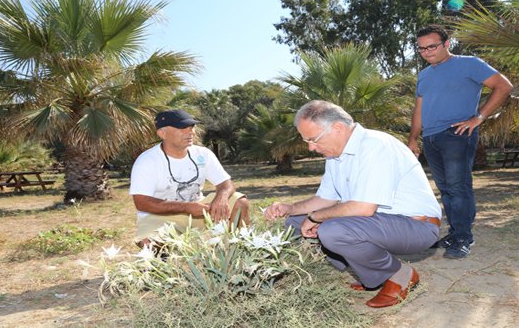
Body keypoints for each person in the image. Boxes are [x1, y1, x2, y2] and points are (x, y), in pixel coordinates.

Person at [264, 100, 441, 308]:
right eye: (306, 141)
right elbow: (325, 200)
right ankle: (371, 275)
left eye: (313, 139)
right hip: (379, 223)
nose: (311, 147)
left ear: (338, 128)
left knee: (332, 229)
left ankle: (399, 274)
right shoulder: (335, 157)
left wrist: (315, 218)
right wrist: (290, 209)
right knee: (295, 222)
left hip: (416, 226)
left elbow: (363, 208)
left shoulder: (375, 145)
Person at [409, 24, 513, 259]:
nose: (427, 52)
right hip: (432, 138)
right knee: (445, 189)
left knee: (458, 187)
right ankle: (455, 233)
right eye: (421, 49)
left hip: (457, 134)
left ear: (447, 44)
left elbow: (504, 86)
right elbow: (419, 109)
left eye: (432, 46)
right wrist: (413, 138)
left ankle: (464, 237)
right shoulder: (424, 75)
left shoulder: (469, 63)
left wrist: (478, 117)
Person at [130, 109, 249, 247]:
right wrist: (187, 207)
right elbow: (142, 203)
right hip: (160, 217)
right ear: (162, 133)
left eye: (191, 127)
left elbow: (226, 184)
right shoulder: (147, 160)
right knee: (149, 244)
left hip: (200, 212)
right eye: (182, 128)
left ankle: (238, 251)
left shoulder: (203, 154)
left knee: (240, 202)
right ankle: (158, 266)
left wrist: (221, 198)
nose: (191, 132)